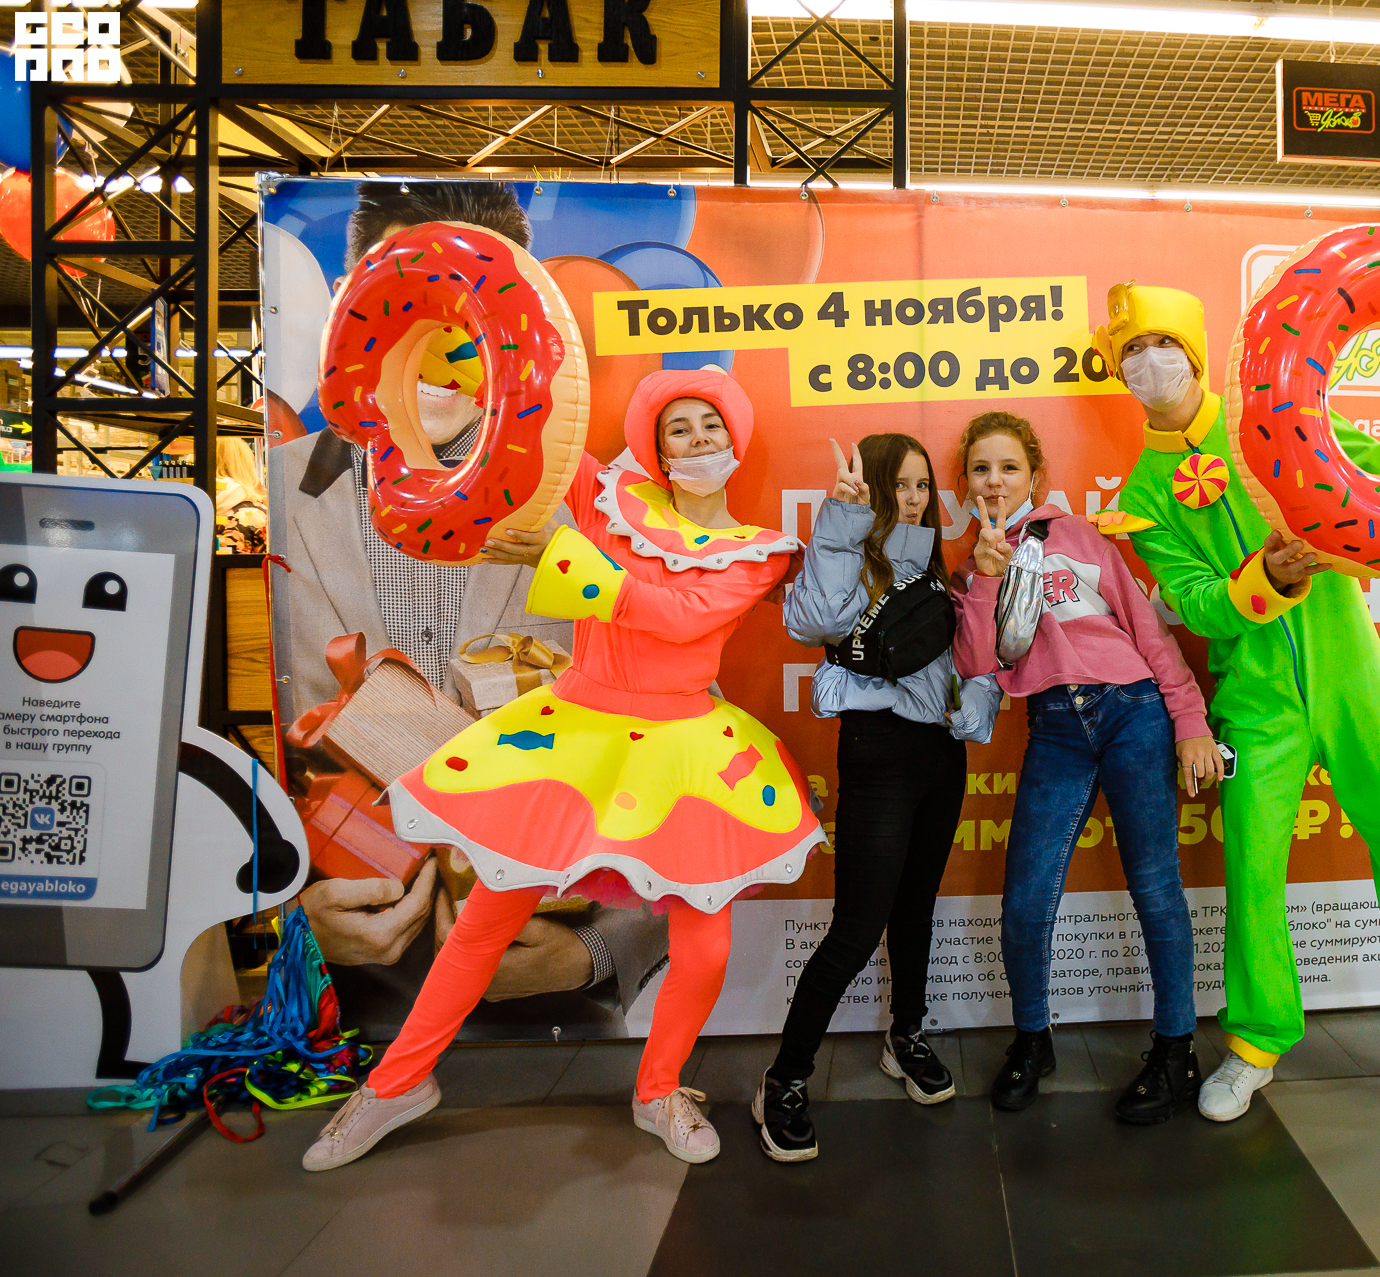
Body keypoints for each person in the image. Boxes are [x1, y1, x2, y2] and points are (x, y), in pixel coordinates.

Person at [301, 368, 825, 1171]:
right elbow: (544, 434)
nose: (696, 440)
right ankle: (395, 1083)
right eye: (678, 428)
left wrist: (568, 555)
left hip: (685, 757)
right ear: (657, 447)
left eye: (710, 425)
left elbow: (681, 617)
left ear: (735, 439)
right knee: (486, 920)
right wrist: (487, 352)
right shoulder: (611, 498)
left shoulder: (757, 551)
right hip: (573, 735)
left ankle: (658, 1091)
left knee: (707, 949)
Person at [1096, 282, 1380, 1154]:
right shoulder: (1142, 491)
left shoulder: (1276, 418)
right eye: (1130, 351)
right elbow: (1196, 604)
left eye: (1161, 343)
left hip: (1355, 679)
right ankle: (1255, 1045)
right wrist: (1270, 577)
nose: (1148, 363)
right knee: (1253, 874)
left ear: (1194, 349)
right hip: (1255, 701)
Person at [267, 179, 661, 1044]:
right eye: (399, 300)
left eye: (465, 308)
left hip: (548, 1021)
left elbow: (674, 761)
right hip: (346, 1017)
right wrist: (286, 919)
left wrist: (592, 955)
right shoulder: (274, 496)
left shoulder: (602, 510)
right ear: (349, 309)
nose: (433, 344)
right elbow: (223, 755)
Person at [950, 411, 1222, 1125]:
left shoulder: (1079, 535)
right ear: (966, 485)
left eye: (1009, 467)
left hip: (1133, 711)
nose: (995, 481)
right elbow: (978, 663)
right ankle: (1032, 1039)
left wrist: (1190, 722)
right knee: (1026, 897)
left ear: (1036, 477)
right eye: (981, 469)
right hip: (1054, 727)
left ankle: (1176, 1050)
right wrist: (986, 579)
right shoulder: (972, 567)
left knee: (1156, 887)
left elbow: (1148, 632)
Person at [754, 434, 1003, 1162]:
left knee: (916, 909)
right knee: (858, 927)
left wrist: (974, 703)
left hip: (940, 757)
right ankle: (785, 1078)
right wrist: (841, 521)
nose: (914, 498)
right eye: (901, 484)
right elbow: (812, 624)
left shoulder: (941, 570)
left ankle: (907, 1035)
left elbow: (974, 660)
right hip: (876, 754)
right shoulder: (850, 556)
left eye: (923, 486)